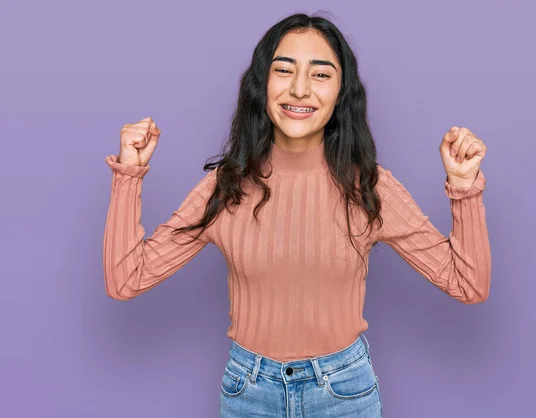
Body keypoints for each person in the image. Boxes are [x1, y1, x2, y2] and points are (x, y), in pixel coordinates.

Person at [103, 12, 491, 418]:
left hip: (343, 393)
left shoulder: (369, 187)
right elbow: (126, 278)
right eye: (284, 70)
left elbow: (469, 284)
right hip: (248, 393)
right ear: (262, 85)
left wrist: (464, 188)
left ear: (342, 92)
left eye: (321, 75)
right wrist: (129, 174)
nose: (300, 89)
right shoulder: (227, 186)